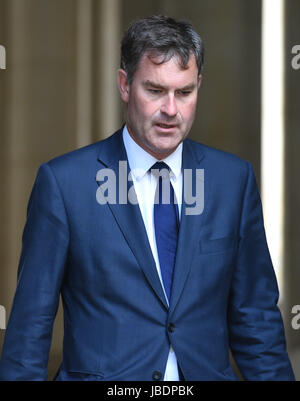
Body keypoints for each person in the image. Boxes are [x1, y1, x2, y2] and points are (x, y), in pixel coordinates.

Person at [0, 15, 295, 381]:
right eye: (155, 90)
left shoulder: (232, 181)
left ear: (199, 85)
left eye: (184, 92)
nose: (171, 110)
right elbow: (30, 328)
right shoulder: (64, 184)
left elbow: (257, 324)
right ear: (125, 85)